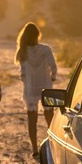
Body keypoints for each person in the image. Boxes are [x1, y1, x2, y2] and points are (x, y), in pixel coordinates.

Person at [15, 22, 57, 157]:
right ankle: (52, 145)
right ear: (38, 35)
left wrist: (26, 82)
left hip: (30, 88)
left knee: (32, 118)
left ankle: (34, 149)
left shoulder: (23, 51)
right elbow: (53, 67)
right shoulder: (45, 49)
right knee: (49, 115)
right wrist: (52, 78)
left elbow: (22, 73)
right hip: (45, 86)